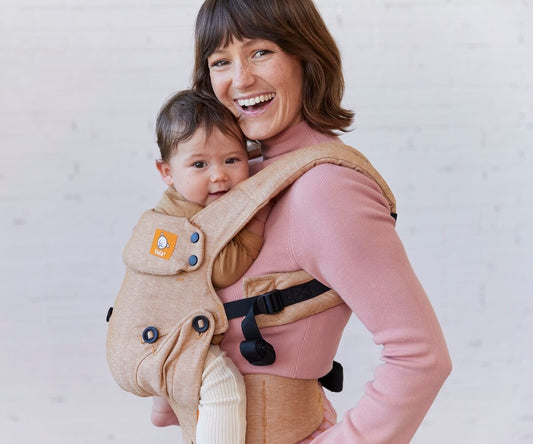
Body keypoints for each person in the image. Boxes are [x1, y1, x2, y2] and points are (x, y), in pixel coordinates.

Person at [148, 89, 270, 444]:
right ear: (167, 172)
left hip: (166, 333)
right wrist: (256, 219)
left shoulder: (192, 204)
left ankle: (164, 406)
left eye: (232, 160)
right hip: (159, 340)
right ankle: (164, 403)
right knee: (223, 385)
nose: (219, 176)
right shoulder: (182, 219)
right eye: (200, 165)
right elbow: (221, 270)